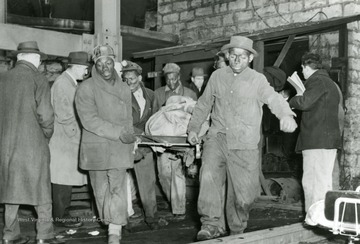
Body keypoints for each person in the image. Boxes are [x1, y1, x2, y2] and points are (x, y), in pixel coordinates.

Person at [187, 35, 298, 240]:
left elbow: (273, 98)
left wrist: (286, 114)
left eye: (243, 56)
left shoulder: (258, 80)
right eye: (234, 55)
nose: (237, 60)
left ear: (250, 59)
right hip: (217, 138)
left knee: (244, 197)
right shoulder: (217, 77)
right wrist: (193, 128)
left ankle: (237, 230)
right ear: (228, 56)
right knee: (208, 177)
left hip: (244, 143)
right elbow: (203, 104)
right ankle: (210, 224)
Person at [0, 41, 64, 244]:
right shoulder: (38, 78)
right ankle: (44, 235)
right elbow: (46, 115)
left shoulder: (3, 79)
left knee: (11, 189)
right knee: (41, 188)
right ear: (34, 59)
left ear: (19, 58)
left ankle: (10, 235)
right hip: (32, 144)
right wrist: (45, 136)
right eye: (39, 59)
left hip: (6, 146)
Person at [75, 45, 136, 244]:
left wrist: (130, 138)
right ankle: (110, 223)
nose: (105, 67)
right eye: (100, 63)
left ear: (114, 63)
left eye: (108, 62)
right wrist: (119, 132)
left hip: (119, 148)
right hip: (97, 149)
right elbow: (89, 120)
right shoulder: (85, 88)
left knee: (117, 189)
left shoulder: (124, 88)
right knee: (101, 192)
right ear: (95, 65)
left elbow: (128, 119)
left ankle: (114, 233)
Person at [288, 53, 341, 212]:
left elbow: (304, 103)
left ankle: (315, 218)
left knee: (313, 182)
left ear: (306, 66)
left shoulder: (317, 81)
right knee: (322, 182)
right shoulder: (328, 82)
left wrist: (290, 101)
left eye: (302, 68)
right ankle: (322, 217)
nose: (302, 71)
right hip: (324, 140)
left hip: (317, 140)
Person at [122, 60, 165, 230]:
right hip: (125, 144)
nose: (128, 83)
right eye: (125, 79)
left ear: (139, 78)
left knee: (147, 183)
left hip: (145, 146)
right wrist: (137, 134)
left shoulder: (151, 95)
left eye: (132, 79)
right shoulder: (119, 94)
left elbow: (154, 119)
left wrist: (152, 139)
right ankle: (123, 220)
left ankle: (151, 217)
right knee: (122, 184)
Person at [49, 51, 90, 228]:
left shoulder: (69, 82)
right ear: (76, 67)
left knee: (64, 178)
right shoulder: (62, 84)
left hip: (66, 138)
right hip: (64, 139)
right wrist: (77, 135)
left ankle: (62, 212)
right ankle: (60, 217)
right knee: (61, 179)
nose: (86, 71)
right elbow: (64, 115)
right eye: (85, 68)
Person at [152, 63, 197, 219]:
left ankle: (179, 210)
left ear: (179, 77)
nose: (171, 82)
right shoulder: (158, 94)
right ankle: (174, 202)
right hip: (162, 142)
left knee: (177, 174)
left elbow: (196, 117)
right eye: (168, 79)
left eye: (174, 78)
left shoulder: (189, 93)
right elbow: (154, 116)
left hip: (182, 141)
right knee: (163, 175)